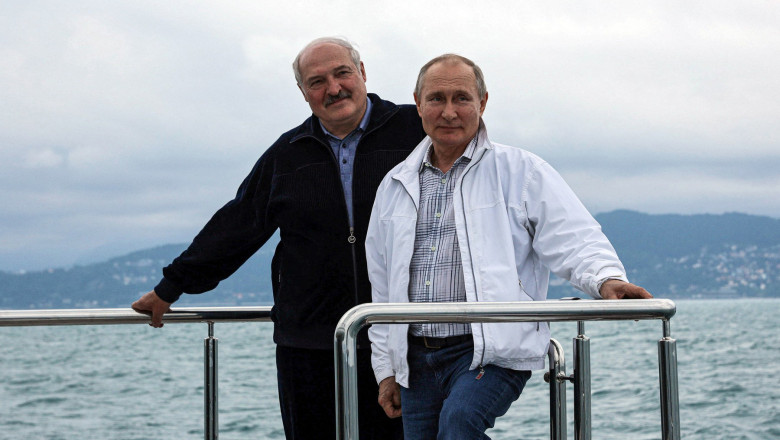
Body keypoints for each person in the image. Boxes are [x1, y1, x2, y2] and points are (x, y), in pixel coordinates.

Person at [131, 37, 425, 439]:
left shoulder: (415, 130)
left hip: (402, 338)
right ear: (303, 92)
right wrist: (171, 286)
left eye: (342, 73)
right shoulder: (288, 153)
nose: (333, 88)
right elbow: (238, 224)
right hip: (309, 345)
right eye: (317, 81)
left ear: (362, 72)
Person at [365, 54, 652, 439]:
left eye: (461, 98)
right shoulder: (394, 185)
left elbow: (573, 236)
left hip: (490, 348)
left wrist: (606, 280)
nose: (449, 111)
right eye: (436, 99)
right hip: (415, 357)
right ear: (418, 103)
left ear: (482, 103)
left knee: (460, 422)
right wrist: (386, 370)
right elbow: (382, 285)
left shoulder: (522, 171)